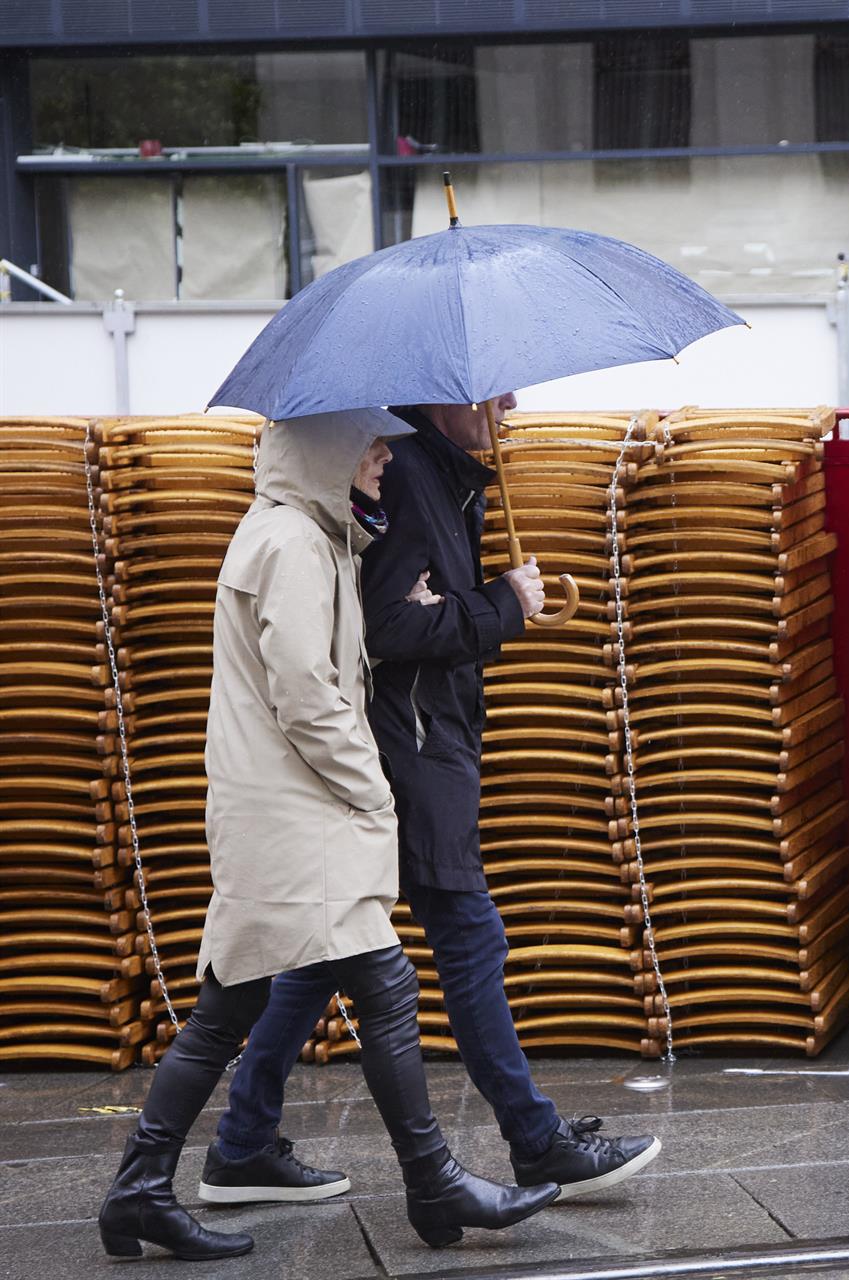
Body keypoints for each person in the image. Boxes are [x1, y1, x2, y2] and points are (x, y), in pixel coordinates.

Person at [98, 409, 560, 1261]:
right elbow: (308, 696)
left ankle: (140, 1190)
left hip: (286, 812)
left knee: (228, 1009)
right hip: (296, 814)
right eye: (370, 442)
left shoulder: (312, 538)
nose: (388, 454)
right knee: (383, 991)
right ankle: (435, 1185)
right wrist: (373, 791)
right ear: (324, 452)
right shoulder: (294, 548)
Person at [196, 393, 660, 1210]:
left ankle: (240, 1144)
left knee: (319, 955)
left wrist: (483, 596)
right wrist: (500, 606)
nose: (511, 401)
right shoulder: (404, 477)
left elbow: (418, 609)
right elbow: (385, 630)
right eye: (497, 388)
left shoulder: (445, 477)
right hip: (404, 754)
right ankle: (534, 1140)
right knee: (468, 937)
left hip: (423, 744)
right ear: (446, 397)